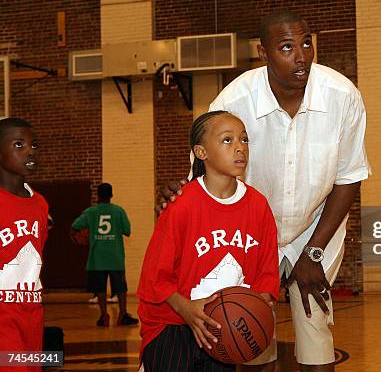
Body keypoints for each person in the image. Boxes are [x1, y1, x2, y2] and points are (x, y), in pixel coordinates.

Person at [160, 10, 369, 371]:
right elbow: (205, 176)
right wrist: (178, 196)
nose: (301, 55)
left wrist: (313, 253)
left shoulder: (342, 95)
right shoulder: (233, 101)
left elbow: (348, 177)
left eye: (306, 43)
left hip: (315, 226)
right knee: (249, 333)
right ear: (263, 53)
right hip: (249, 231)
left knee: (314, 323)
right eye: (287, 47)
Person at [138, 111, 279, 372]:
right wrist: (186, 309)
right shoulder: (182, 204)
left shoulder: (258, 206)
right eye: (227, 140)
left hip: (223, 329)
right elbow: (154, 276)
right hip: (172, 324)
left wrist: (252, 313)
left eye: (244, 140)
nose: (240, 147)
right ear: (201, 152)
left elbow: (267, 273)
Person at [0, 118, 49, 372]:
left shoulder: (40, 204)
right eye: (18, 144)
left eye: (34, 145)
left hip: (32, 314)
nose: (30, 150)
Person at [71, 183, 138, 327]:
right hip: (115, 256)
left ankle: (103, 316)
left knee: (100, 289)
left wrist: (84, 235)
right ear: (111, 195)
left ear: (98, 195)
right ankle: (123, 315)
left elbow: (75, 225)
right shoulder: (119, 211)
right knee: (121, 288)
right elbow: (127, 230)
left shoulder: (90, 212)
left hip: (97, 257)